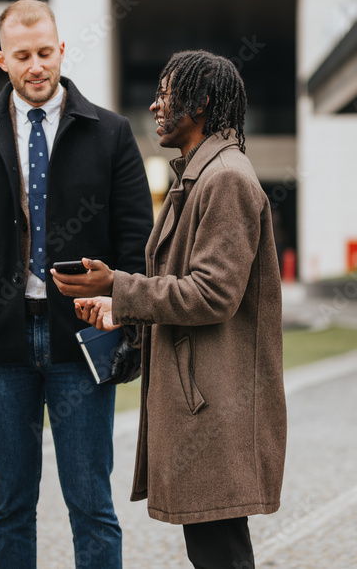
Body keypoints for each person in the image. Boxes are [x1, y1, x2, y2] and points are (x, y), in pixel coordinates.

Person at [0, 0, 153, 568]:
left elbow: (136, 242)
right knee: (10, 505)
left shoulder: (111, 133)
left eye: (46, 53)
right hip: (1, 340)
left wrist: (131, 326)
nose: (37, 67)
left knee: (91, 503)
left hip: (83, 339)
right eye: (24, 55)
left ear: (62, 51)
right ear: (2, 58)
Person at [68, 50, 287, 569]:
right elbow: (183, 286)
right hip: (203, 398)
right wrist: (119, 305)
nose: (155, 105)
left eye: (166, 94)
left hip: (216, 403)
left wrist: (120, 286)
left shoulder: (225, 179)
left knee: (221, 552)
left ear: (203, 101)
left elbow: (213, 294)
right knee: (214, 550)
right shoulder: (199, 176)